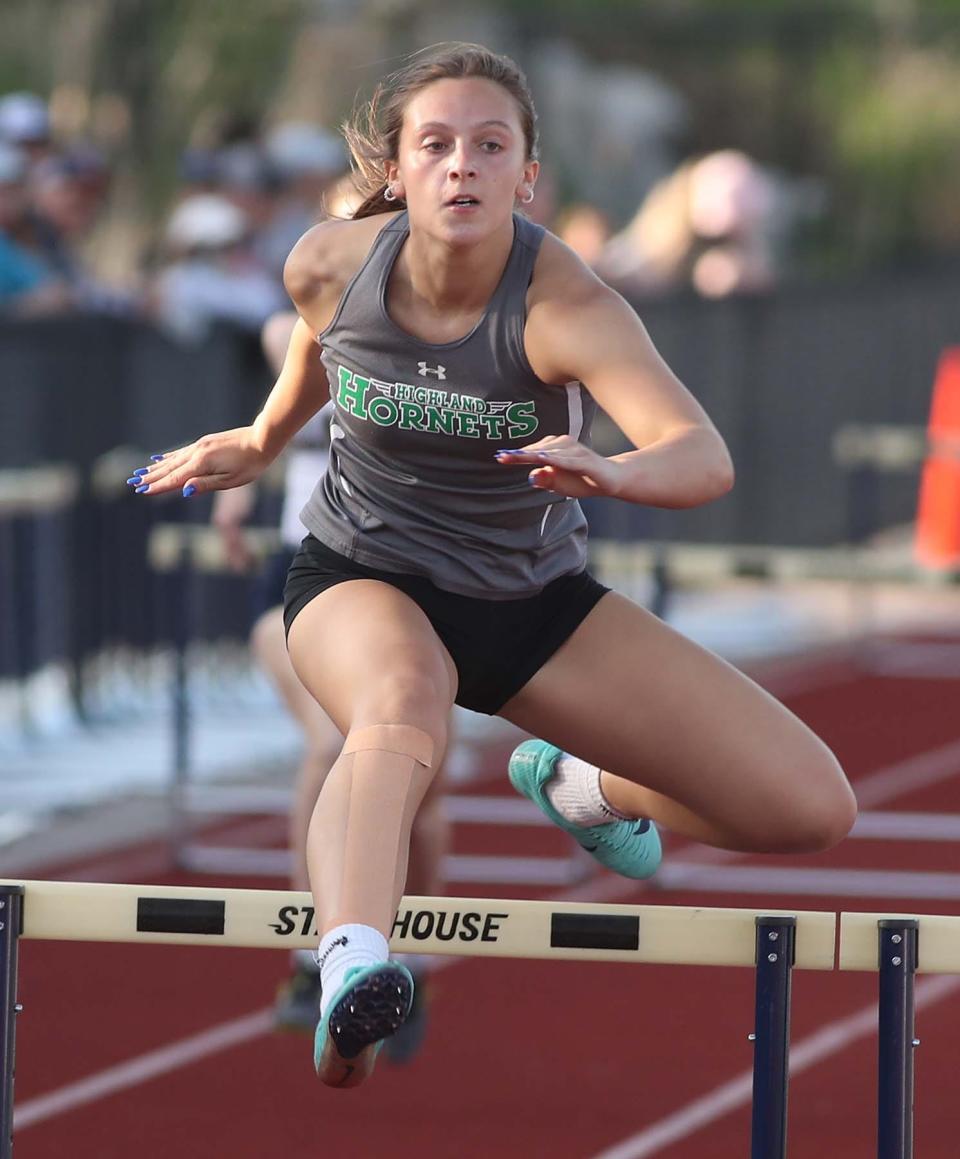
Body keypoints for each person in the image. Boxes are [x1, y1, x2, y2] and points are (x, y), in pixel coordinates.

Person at [129, 43, 857, 1090]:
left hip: (528, 599)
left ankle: (583, 787)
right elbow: (312, 351)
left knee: (807, 807)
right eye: (436, 144)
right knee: (400, 706)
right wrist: (259, 438)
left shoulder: (566, 306)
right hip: (361, 572)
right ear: (398, 173)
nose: (461, 165)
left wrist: (611, 471)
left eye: (489, 145)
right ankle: (351, 963)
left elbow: (702, 458)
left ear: (527, 177)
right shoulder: (328, 262)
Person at [209, 311, 446, 1057]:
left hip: (416, 583)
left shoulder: (452, 348)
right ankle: (314, 958)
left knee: (422, 776)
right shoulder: (305, 325)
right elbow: (283, 343)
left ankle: (408, 957)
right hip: (302, 582)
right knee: (332, 742)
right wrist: (238, 491)